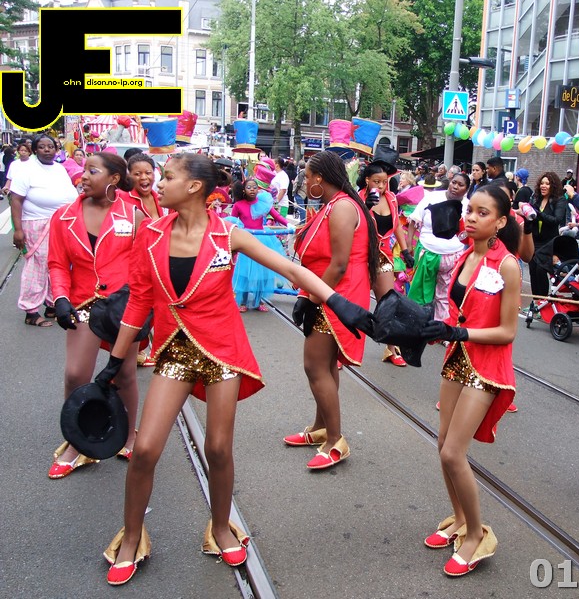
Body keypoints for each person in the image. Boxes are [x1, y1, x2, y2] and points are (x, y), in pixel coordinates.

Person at [99, 153, 373, 585]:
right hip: (175, 352)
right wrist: (115, 362)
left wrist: (338, 303)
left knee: (218, 448)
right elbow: (137, 303)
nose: (158, 183)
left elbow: (290, 267)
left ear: (194, 187)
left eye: (167, 177)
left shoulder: (228, 235)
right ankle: (131, 537)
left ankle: (221, 526)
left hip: (222, 352)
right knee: (146, 448)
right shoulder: (149, 234)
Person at [420, 184, 520, 577]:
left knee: (452, 453)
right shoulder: (464, 254)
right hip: (457, 359)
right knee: (442, 443)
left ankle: (477, 535)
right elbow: (457, 311)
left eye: (483, 213)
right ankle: (460, 519)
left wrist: (461, 333)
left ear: (501, 221)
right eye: (470, 210)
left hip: (487, 366)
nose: (472, 218)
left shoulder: (507, 265)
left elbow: (507, 331)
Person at [47, 151, 143, 476]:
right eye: (84, 170)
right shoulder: (63, 217)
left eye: (93, 170)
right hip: (82, 303)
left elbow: (144, 262)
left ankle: (129, 436)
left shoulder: (133, 214)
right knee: (76, 374)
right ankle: (76, 443)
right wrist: (61, 297)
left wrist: (141, 303)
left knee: (125, 374)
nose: (84, 176)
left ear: (114, 178)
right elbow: (57, 263)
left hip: (123, 305)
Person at [283, 151, 380, 470]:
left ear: (319, 178)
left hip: (337, 294)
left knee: (315, 366)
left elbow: (338, 264)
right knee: (326, 365)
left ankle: (335, 440)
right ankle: (321, 427)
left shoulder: (341, 207)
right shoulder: (335, 204)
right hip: (331, 291)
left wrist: (311, 299)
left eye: (307, 176)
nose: (305, 181)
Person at [9, 134, 79, 327]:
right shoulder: (26, 170)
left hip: (61, 223)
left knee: (58, 264)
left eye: (51, 146)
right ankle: (31, 311)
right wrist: (18, 230)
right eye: (42, 147)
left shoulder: (59, 168)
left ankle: (51, 304)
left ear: (56, 149)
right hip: (36, 223)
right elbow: (16, 200)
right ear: (35, 150)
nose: (47, 150)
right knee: (38, 266)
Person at [358, 161, 414, 366]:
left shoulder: (391, 198)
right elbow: (353, 223)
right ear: (367, 180)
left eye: (384, 182)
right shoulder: (357, 198)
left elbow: (397, 226)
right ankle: (341, 348)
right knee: (354, 302)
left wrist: (405, 250)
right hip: (360, 255)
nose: (381, 186)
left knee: (388, 303)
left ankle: (391, 349)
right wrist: (366, 206)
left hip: (383, 254)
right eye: (376, 181)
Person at [406, 173, 470, 321]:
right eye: (454, 182)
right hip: (427, 253)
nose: (455, 187)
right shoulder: (432, 197)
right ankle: (418, 323)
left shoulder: (469, 206)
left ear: (466, 190)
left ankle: (440, 327)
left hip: (453, 257)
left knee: (445, 296)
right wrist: (409, 245)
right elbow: (414, 221)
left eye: (460, 185)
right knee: (421, 294)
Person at [230, 177, 289, 312]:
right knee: (245, 273)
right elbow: (232, 220)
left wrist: (288, 224)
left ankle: (259, 301)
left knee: (262, 273)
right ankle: (243, 301)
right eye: (249, 187)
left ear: (258, 190)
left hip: (262, 241)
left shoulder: (263, 202)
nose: (252, 190)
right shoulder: (238, 205)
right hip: (245, 240)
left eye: (255, 187)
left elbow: (276, 216)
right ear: (244, 190)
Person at [525, 172, 566, 317]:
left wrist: (538, 213)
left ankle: (542, 304)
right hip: (534, 240)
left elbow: (556, 220)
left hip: (548, 242)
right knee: (532, 269)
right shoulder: (535, 198)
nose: (543, 186)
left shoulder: (560, 200)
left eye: (547, 183)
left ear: (553, 185)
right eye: (542, 183)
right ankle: (536, 302)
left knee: (540, 270)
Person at [119, 153, 166, 220]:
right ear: (129, 176)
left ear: (154, 174)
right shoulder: (121, 198)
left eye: (148, 173)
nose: (143, 177)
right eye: (137, 174)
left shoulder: (161, 198)